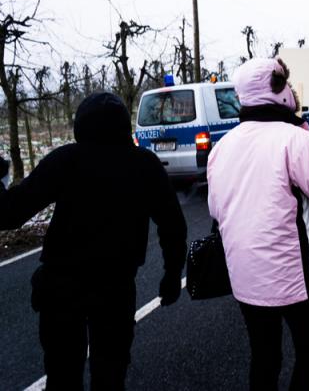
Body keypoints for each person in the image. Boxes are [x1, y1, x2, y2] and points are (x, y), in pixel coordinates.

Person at [0, 92, 187, 390]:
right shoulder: (144, 164)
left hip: (60, 288)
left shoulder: (66, 160)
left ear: (81, 125)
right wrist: (171, 274)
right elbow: (173, 225)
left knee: (62, 375)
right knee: (110, 374)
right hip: (116, 287)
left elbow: (9, 214)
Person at [207, 58, 309, 391]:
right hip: (293, 277)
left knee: (264, 357)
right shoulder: (296, 141)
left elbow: (217, 209)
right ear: (278, 91)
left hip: (245, 277)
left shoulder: (221, 148)